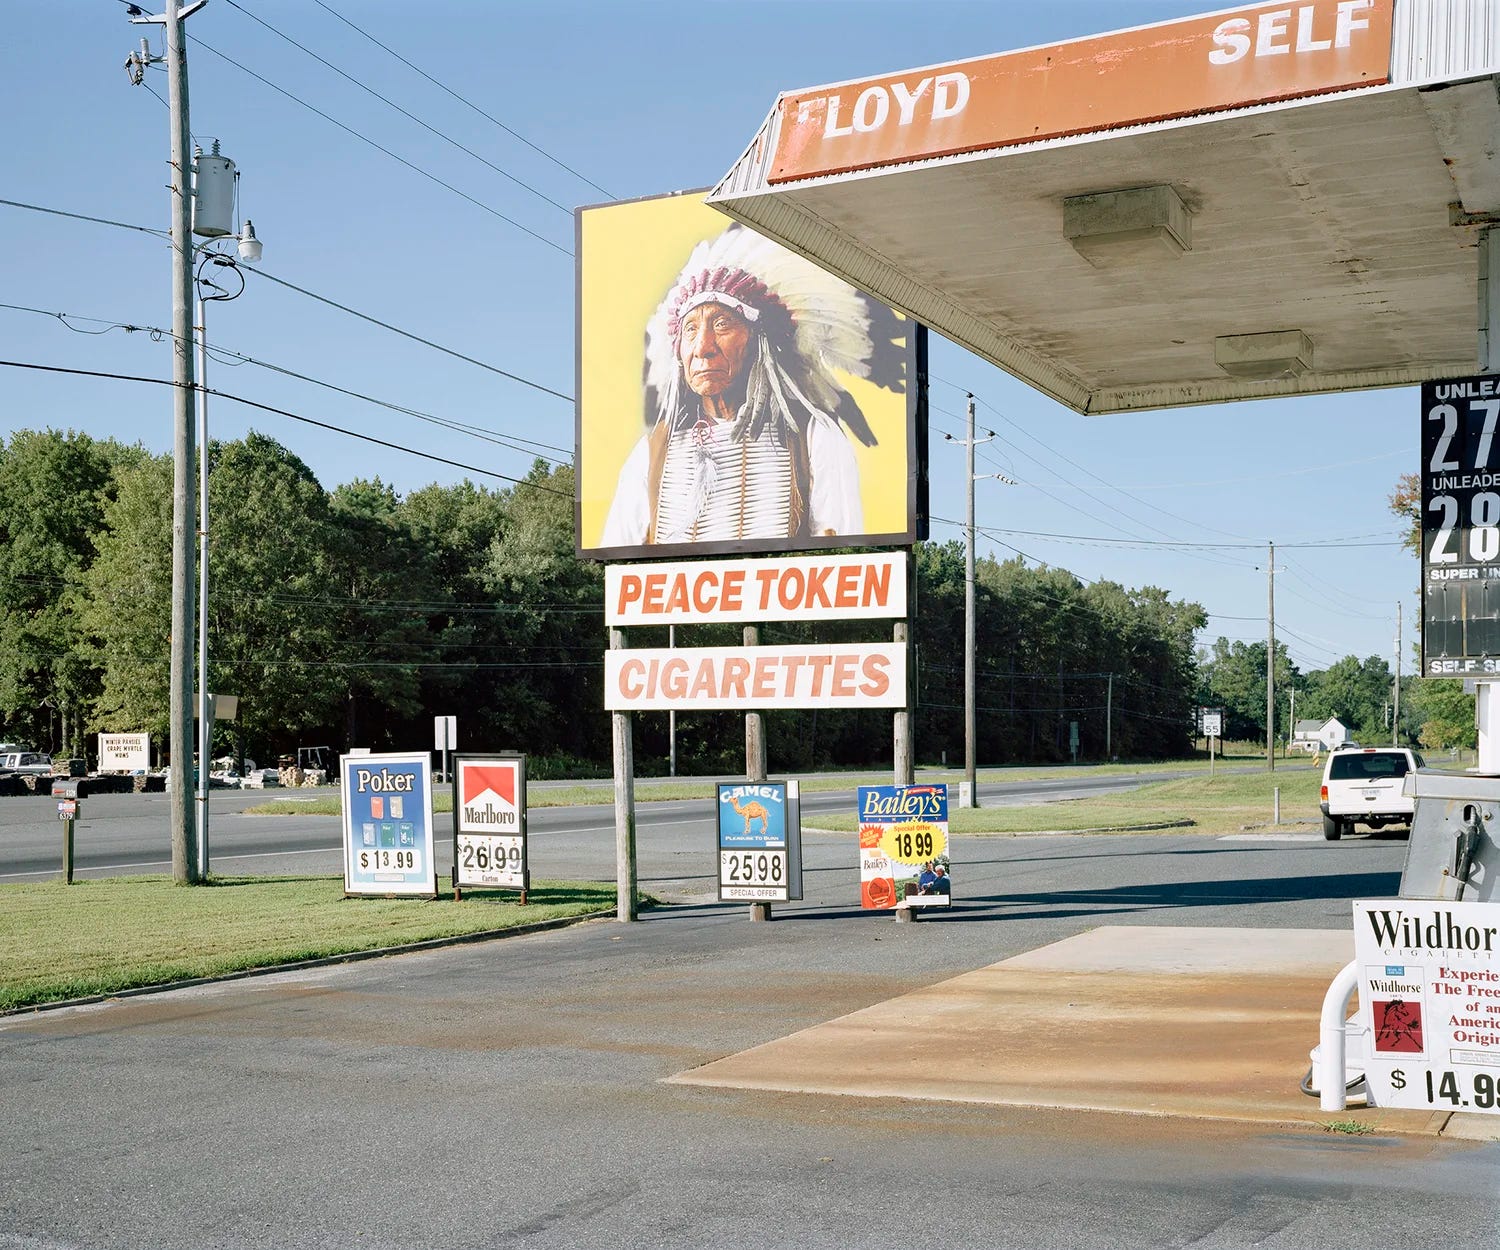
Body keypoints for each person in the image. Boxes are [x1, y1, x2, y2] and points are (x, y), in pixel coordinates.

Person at [600, 223, 904, 547]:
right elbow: (617, 558)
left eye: (722, 324)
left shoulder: (815, 439)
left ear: (760, 342)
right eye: (690, 329)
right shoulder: (652, 453)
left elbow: (843, 557)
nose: (702, 347)